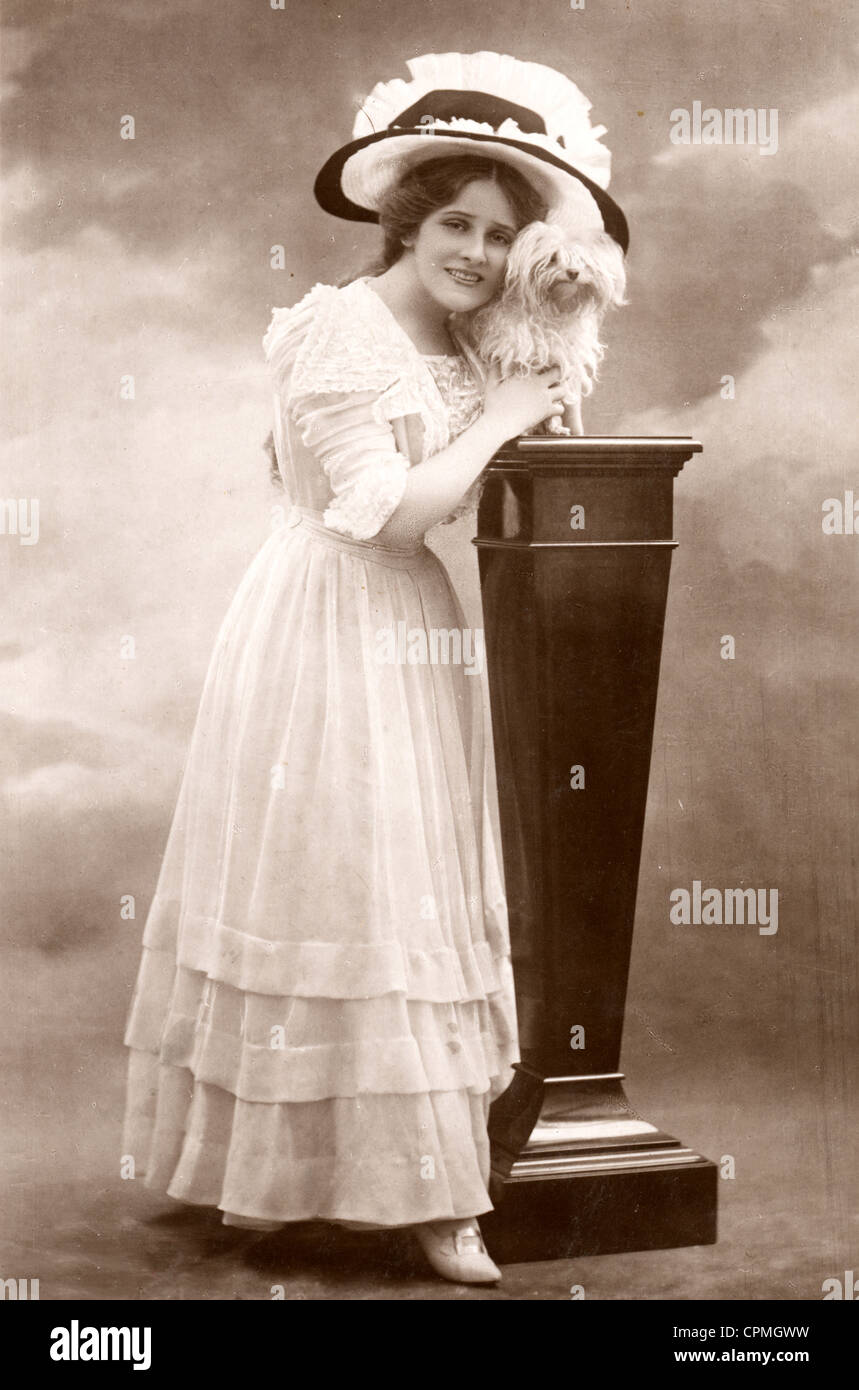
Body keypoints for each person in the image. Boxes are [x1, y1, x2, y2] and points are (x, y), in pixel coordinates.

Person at [122, 51, 627, 1286]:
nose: (475, 249)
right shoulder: (338, 328)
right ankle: (295, 1180)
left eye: (501, 234)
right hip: (325, 621)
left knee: (406, 884)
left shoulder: (465, 340)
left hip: (408, 629)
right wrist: (504, 415)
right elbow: (391, 512)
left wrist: (536, 367)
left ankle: (428, 1189)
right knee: (334, 878)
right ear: (407, 223)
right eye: (454, 222)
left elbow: (501, 444)